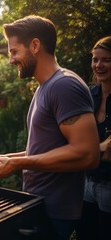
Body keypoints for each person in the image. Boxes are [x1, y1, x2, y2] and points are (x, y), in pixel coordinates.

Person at [0, 15, 99, 240]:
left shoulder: (64, 86)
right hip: (39, 203)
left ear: (35, 45)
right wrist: (9, 158)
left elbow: (87, 153)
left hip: (55, 210)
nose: (10, 60)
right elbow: (47, 148)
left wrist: (17, 162)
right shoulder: (45, 87)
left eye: (14, 52)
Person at [76, 36, 111, 240]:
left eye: (106, 59)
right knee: (85, 233)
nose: (98, 65)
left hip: (109, 184)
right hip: (87, 182)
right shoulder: (90, 94)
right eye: (95, 59)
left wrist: (85, 148)